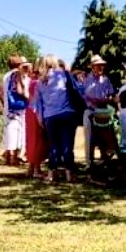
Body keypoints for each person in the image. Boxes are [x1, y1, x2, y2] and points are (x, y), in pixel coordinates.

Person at [35, 54, 78, 183]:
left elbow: (38, 103)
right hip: (67, 113)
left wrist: (40, 119)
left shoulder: (40, 81)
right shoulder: (64, 75)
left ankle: (51, 174)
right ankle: (69, 174)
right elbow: (77, 90)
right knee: (67, 145)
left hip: (50, 117)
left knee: (53, 146)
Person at [82, 55, 115, 169]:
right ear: (93, 67)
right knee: (89, 137)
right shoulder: (86, 79)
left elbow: (111, 94)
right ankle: (89, 163)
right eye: (98, 66)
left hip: (102, 110)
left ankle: (104, 160)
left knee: (103, 138)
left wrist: (107, 99)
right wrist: (92, 100)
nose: (101, 68)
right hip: (90, 110)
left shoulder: (106, 79)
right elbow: (83, 95)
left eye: (102, 66)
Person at [3, 55, 29, 166]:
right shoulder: (17, 74)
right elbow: (19, 90)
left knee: (9, 131)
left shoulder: (6, 76)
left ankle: (9, 157)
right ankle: (14, 158)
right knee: (17, 132)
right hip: (18, 107)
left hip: (8, 107)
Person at [25, 58, 49, 179]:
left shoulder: (31, 80)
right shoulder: (39, 82)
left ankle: (31, 167)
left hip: (29, 111)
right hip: (36, 112)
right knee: (38, 140)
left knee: (31, 139)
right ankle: (36, 169)